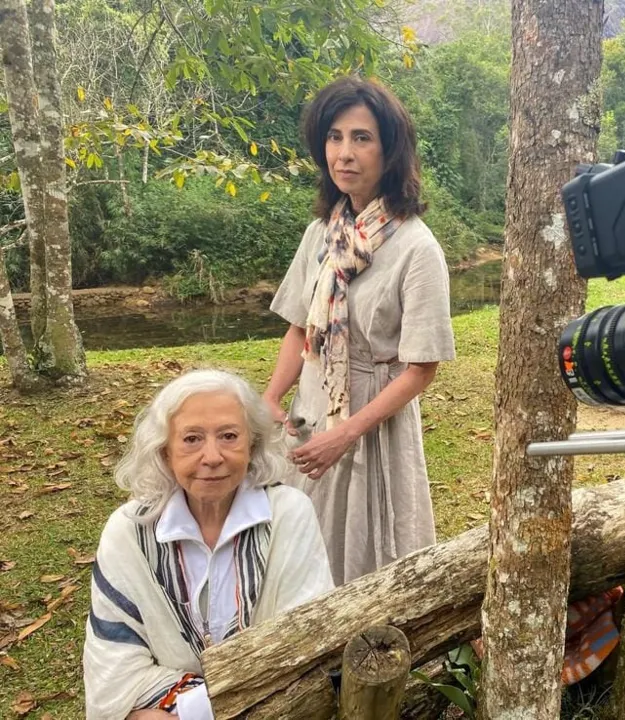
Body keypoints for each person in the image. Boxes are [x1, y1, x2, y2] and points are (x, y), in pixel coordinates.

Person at [263, 75, 456, 586]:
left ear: (390, 151)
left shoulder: (417, 248)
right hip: (312, 402)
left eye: (361, 138)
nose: (344, 153)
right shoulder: (321, 234)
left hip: (372, 417)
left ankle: (372, 650)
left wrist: (344, 434)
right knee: (300, 536)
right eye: (335, 137)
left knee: (372, 549)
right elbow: (298, 328)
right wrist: (271, 397)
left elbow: (420, 370)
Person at [83, 369, 335, 720]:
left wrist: (190, 711)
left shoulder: (288, 514)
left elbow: (307, 643)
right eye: (191, 439)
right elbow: (114, 674)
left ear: (253, 444)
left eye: (229, 436)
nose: (213, 456)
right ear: (164, 452)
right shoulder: (128, 532)